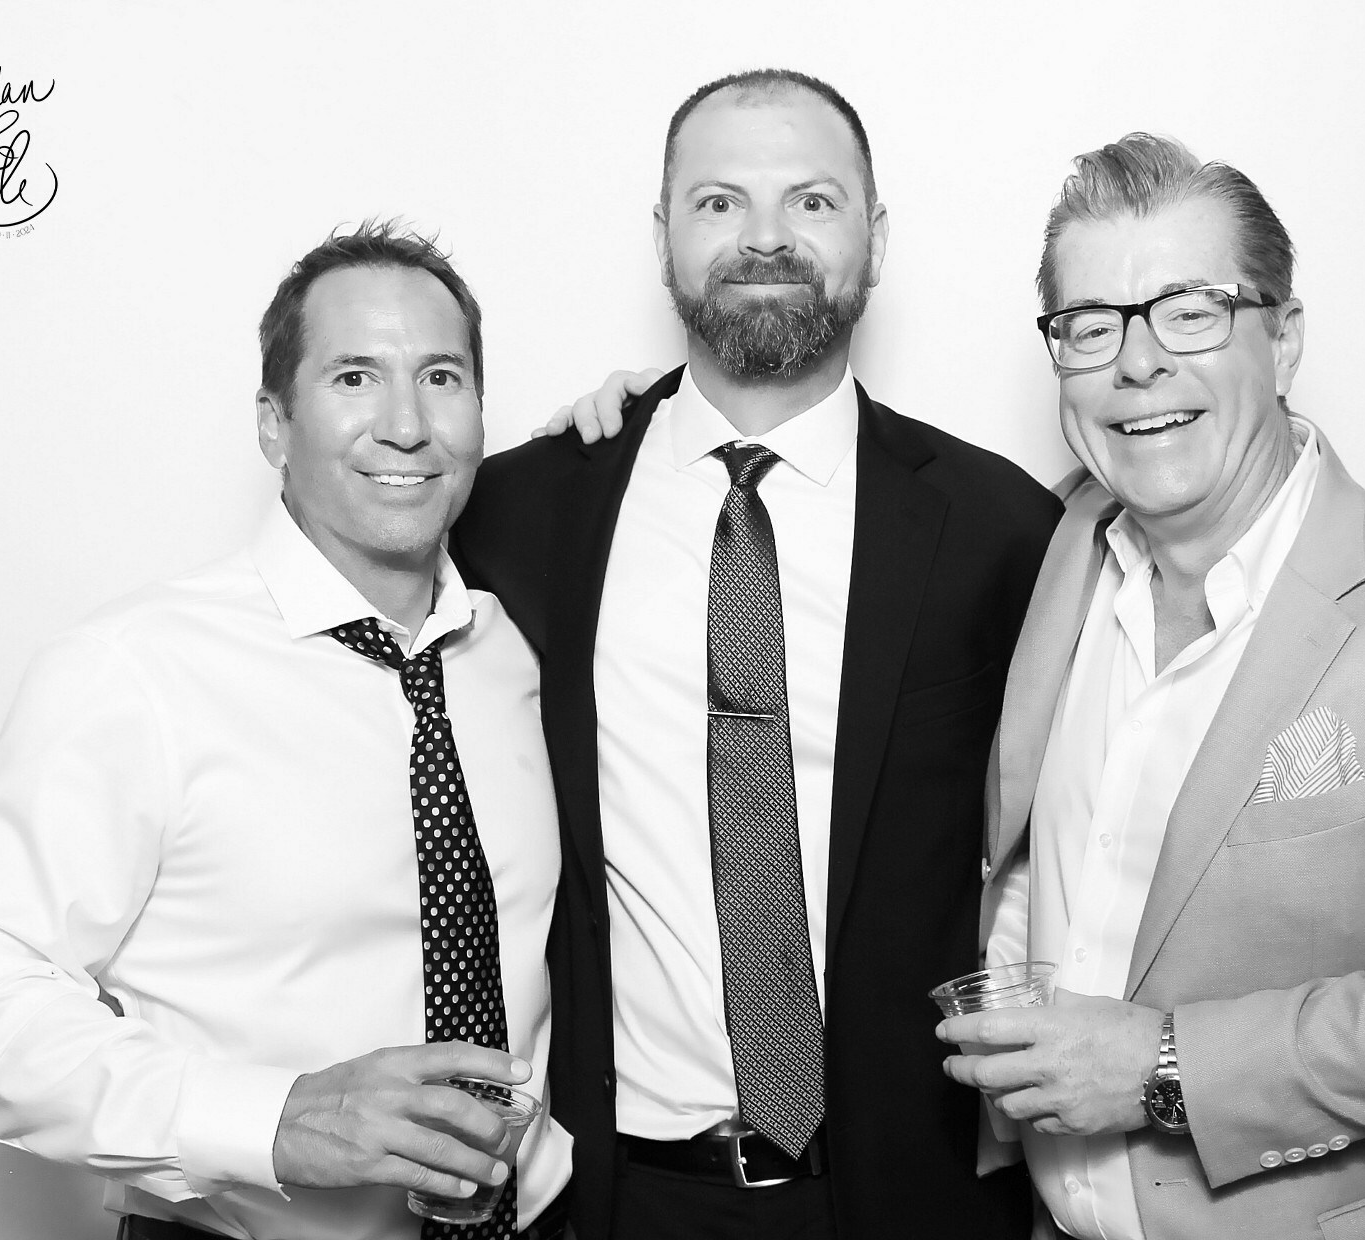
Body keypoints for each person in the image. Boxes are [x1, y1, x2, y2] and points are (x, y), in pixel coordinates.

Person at [936, 134, 1365, 1239]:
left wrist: (1163, 1067)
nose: (1136, 363)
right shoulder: (1057, 544)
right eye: (1091, 325)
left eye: (1189, 312)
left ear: (1284, 339)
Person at [451, 70, 1059, 1240]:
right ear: (663, 237)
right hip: (617, 1198)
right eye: (719, 201)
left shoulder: (1000, 529)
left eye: (811, 202)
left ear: (875, 238)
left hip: (915, 1196)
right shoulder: (522, 512)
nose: (765, 237)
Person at [0, 223, 573, 1240]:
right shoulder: (136, 671)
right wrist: (272, 1120)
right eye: (354, 377)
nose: (406, 424)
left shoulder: (514, 651)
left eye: (440, 377)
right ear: (273, 424)